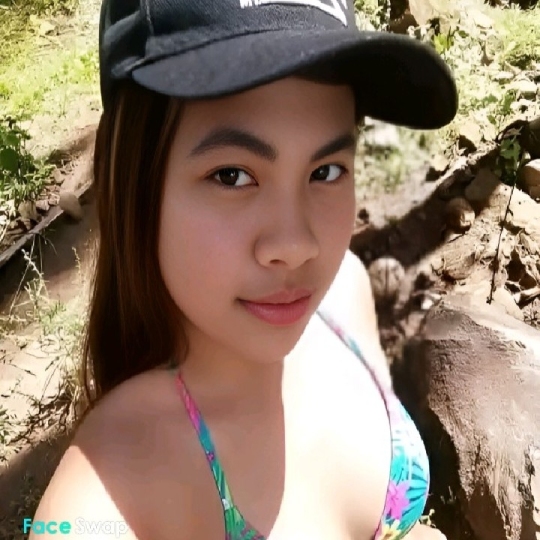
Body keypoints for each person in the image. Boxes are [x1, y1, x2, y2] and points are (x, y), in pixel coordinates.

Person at [31, 0, 457, 539]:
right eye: (232, 175)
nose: (296, 246)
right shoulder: (103, 504)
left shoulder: (344, 291)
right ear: (132, 180)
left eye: (326, 170)